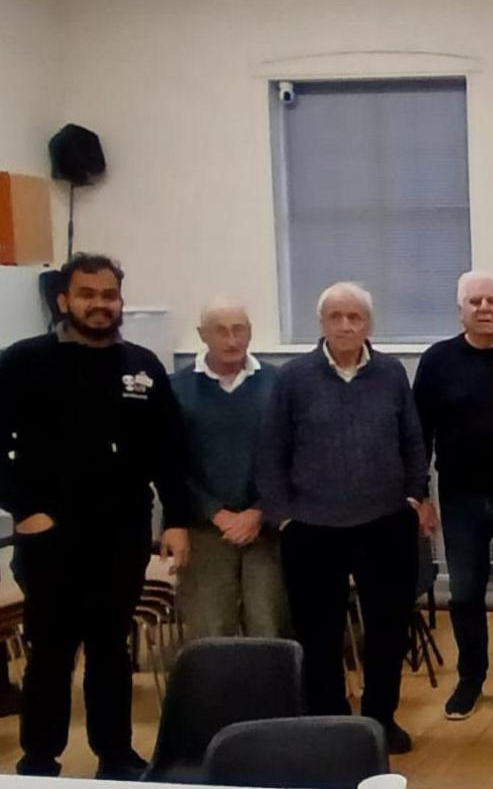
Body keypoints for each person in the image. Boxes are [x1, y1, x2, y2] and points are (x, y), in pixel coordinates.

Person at [0, 253, 191, 779]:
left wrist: (176, 519)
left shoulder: (143, 366)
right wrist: (24, 508)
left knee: (111, 650)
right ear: (64, 300)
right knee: (51, 652)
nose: (99, 304)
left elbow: (170, 451)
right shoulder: (22, 362)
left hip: (122, 532)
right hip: (50, 536)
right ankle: (40, 757)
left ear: (120, 301)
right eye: (88, 294)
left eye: (109, 295)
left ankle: (117, 754)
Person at [257, 281, 438, 755]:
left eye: (355, 317)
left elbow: (413, 442)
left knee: (386, 629)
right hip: (311, 528)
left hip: (384, 523)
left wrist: (416, 496)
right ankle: (330, 720)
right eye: (335, 317)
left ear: (368, 325)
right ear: (321, 324)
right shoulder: (293, 377)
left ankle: (381, 718)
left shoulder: (392, 373)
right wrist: (283, 517)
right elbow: (271, 451)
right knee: (319, 633)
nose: (345, 326)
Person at [413, 271, 493, 718]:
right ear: (460, 311)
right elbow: (419, 434)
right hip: (461, 496)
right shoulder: (438, 360)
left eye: (492, 301)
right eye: (474, 302)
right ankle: (470, 678)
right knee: (465, 593)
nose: (484, 308)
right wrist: (419, 496)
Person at [172, 299, 289, 639]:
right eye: (220, 331)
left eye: (239, 330)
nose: (232, 340)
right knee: (211, 628)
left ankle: (268, 693)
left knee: (268, 624)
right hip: (205, 528)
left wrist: (257, 511)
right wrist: (216, 513)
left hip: (265, 527)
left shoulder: (277, 383)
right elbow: (172, 463)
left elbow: (291, 453)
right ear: (202, 335)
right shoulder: (177, 388)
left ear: (250, 333)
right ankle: (216, 694)